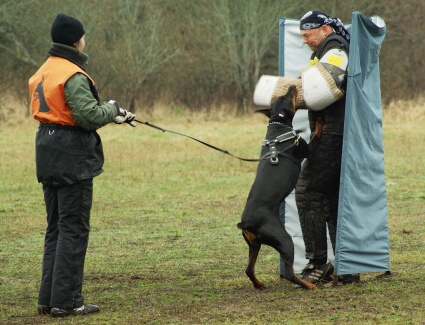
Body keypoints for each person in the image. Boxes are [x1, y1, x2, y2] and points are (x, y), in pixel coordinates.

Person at [29, 13, 136, 317]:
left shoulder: (44, 71)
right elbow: (87, 116)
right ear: (76, 41)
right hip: (70, 154)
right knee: (73, 229)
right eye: (83, 36)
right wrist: (112, 107)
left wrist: (111, 115)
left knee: (56, 229)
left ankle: (48, 298)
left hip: (47, 149)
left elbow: (67, 112)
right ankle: (68, 301)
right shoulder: (72, 73)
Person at [293, 10, 359, 286]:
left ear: (324, 30)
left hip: (334, 133)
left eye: (308, 35)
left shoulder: (335, 49)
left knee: (307, 191)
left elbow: (324, 87)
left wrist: (290, 94)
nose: (306, 40)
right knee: (331, 199)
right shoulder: (325, 49)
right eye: (303, 36)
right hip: (329, 131)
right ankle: (346, 267)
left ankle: (318, 263)